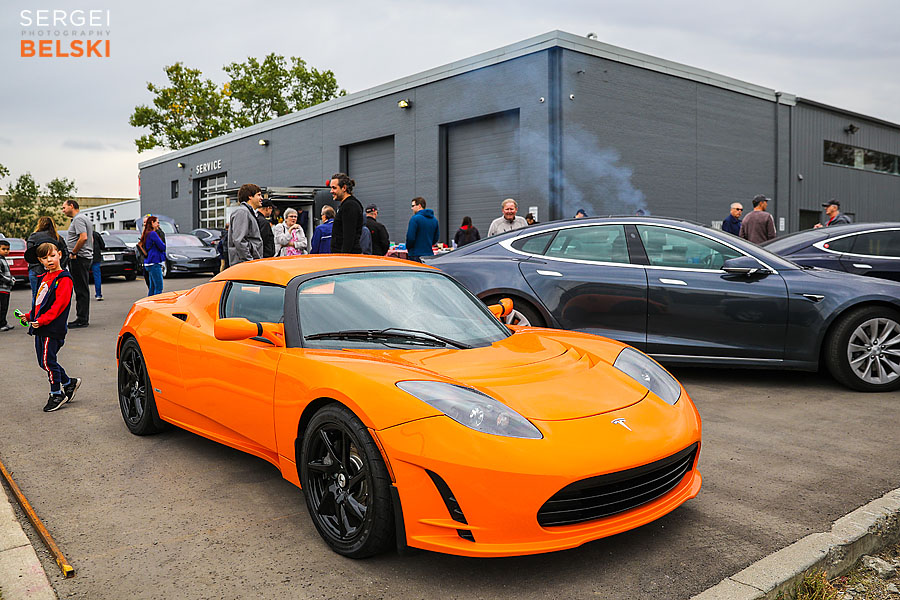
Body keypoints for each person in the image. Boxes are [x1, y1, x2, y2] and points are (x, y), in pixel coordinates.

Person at [20, 242, 81, 412]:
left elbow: (59, 305)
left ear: (59, 255)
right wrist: (29, 316)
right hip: (41, 325)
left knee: (48, 361)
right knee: (44, 362)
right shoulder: (44, 277)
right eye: (45, 258)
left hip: (53, 328)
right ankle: (69, 383)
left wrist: (43, 320)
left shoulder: (64, 279)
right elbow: (40, 304)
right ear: (40, 261)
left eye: (52, 256)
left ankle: (56, 394)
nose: (49, 260)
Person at [62, 199, 93, 329]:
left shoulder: (79, 219)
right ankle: (82, 317)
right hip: (82, 257)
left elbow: (84, 237)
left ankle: (82, 319)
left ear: (71, 206)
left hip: (79, 258)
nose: (63, 210)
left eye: (64, 207)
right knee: (81, 288)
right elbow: (90, 238)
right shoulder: (82, 218)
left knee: (81, 289)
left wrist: (74, 252)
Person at [25, 217, 68, 299]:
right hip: (54, 271)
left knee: (37, 296)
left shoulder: (33, 236)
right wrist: (60, 266)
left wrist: (41, 264)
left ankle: (37, 308)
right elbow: (66, 254)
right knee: (54, 296)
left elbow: (30, 254)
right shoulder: (57, 237)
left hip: (36, 270)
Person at [227, 183, 263, 265]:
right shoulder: (242, 212)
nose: (261, 198)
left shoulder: (248, 213)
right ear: (250, 196)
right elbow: (239, 240)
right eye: (259, 195)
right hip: (245, 265)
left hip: (249, 263)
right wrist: (249, 261)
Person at [329, 173, 365, 254]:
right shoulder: (346, 205)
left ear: (344, 188)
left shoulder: (350, 206)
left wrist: (343, 257)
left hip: (347, 257)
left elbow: (349, 236)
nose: (331, 191)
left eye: (334, 188)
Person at [405, 197, 440, 262]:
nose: (412, 208)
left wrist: (409, 248)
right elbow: (436, 238)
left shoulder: (415, 219)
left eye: (413, 206)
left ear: (419, 206)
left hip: (415, 254)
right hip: (429, 254)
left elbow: (410, 237)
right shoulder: (434, 220)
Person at [139, 216, 166, 296]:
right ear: (152, 223)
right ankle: (156, 302)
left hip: (148, 262)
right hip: (154, 262)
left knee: (152, 287)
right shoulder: (153, 234)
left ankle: (149, 301)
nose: (158, 225)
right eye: (157, 222)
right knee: (159, 287)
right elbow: (162, 247)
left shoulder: (146, 233)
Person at [0, 240, 14, 331]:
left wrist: (12, 279)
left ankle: (4, 322)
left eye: (8, 249)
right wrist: (9, 281)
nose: (6, 251)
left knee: (5, 307)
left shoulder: (3, 259)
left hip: (6, 289)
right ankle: (1, 324)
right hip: (2, 288)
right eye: (3, 249)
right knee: (2, 307)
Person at [90, 229, 106, 301]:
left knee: (83, 277)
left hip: (85, 257)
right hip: (96, 257)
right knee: (97, 276)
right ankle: (98, 294)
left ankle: (82, 294)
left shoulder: (81, 234)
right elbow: (102, 245)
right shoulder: (96, 234)